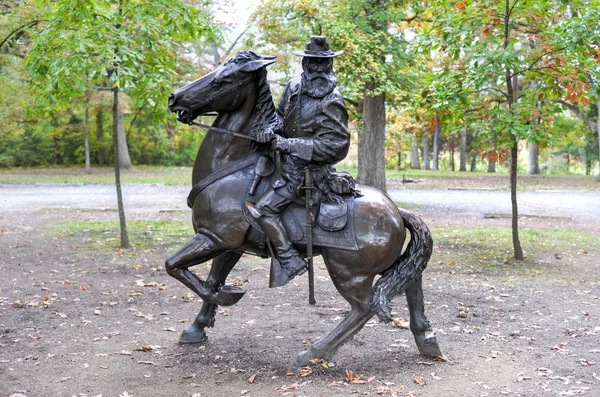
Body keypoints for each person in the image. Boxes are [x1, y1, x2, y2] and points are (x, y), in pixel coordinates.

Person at [246, 36, 350, 281]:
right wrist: (269, 131)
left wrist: (289, 144)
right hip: (285, 164)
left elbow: (337, 145)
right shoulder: (294, 87)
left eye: (322, 64)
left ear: (330, 66)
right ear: (304, 63)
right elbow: (280, 119)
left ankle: (291, 260)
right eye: (311, 63)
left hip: (309, 171)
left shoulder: (332, 99)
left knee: (264, 210)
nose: (316, 69)